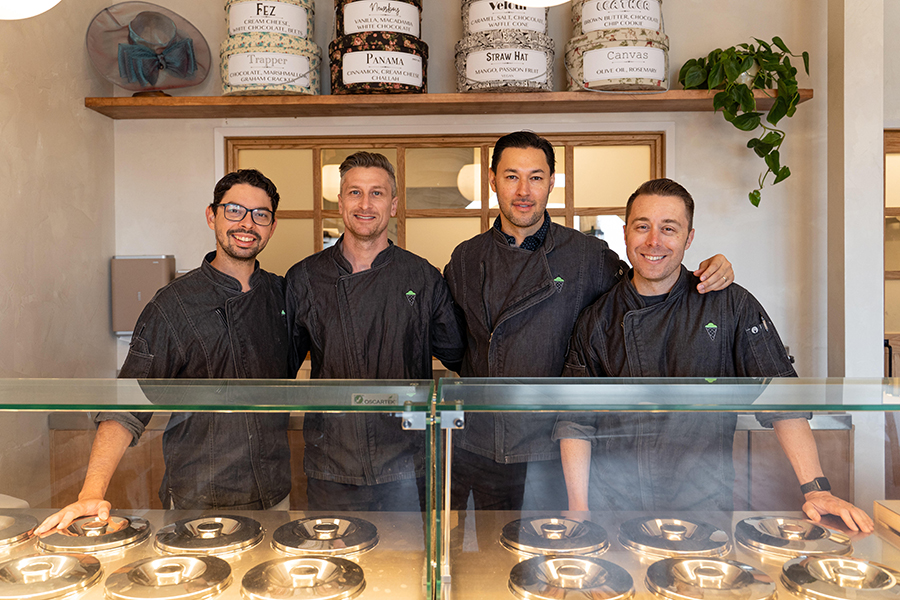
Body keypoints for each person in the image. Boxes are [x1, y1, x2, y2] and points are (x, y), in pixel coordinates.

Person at [556, 178, 873, 532]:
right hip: (615, 504)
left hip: (703, 501)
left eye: (669, 229)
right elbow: (576, 421)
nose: (653, 241)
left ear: (689, 238)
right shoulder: (597, 319)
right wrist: (579, 509)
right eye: (642, 227)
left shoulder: (729, 303)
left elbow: (781, 397)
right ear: (626, 231)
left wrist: (817, 490)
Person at [443, 131, 735, 513]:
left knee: (560, 557)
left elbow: (647, 291)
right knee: (494, 560)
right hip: (485, 444)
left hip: (561, 445)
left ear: (551, 182)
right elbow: (453, 346)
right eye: (512, 176)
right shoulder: (465, 258)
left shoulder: (589, 256)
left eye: (536, 177)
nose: (524, 191)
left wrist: (710, 273)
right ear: (493, 179)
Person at [37, 169, 292, 534]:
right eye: (234, 210)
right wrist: (91, 492)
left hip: (274, 496)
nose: (247, 223)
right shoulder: (173, 305)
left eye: (260, 215)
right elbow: (127, 404)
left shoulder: (282, 296)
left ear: (272, 226)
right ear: (212, 215)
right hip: (199, 499)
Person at [285, 152, 464, 511]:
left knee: (410, 565)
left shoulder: (422, 278)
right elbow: (280, 365)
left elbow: (457, 352)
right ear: (340, 202)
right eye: (355, 192)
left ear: (393, 205)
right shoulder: (304, 278)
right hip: (332, 463)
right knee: (336, 565)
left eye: (377, 193)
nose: (365, 204)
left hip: (408, 463)